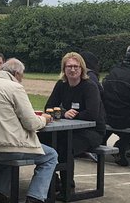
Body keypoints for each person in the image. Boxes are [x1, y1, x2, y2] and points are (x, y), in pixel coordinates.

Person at [0, 58, 58, 203]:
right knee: (51, 155)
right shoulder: (15, 87)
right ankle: (35, 198)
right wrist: (45, 119)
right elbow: (31, 123)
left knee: (5, 148)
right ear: (16, 73)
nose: (22, 79)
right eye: (22, 76)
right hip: (8, 147)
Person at [44, 52, 107, 184]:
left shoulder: (89, 86)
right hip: (69, 130)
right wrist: (63, 113)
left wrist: (74, 115)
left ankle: (68, 185)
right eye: (69, 66)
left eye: (76, 66)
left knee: (65, 147)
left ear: (82, 68)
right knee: (43, 140)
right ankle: (51, 180)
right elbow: (49, 107)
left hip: (93, 131)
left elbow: (92, 114)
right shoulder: (61, 84)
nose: (72, 70)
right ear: (64, 69)